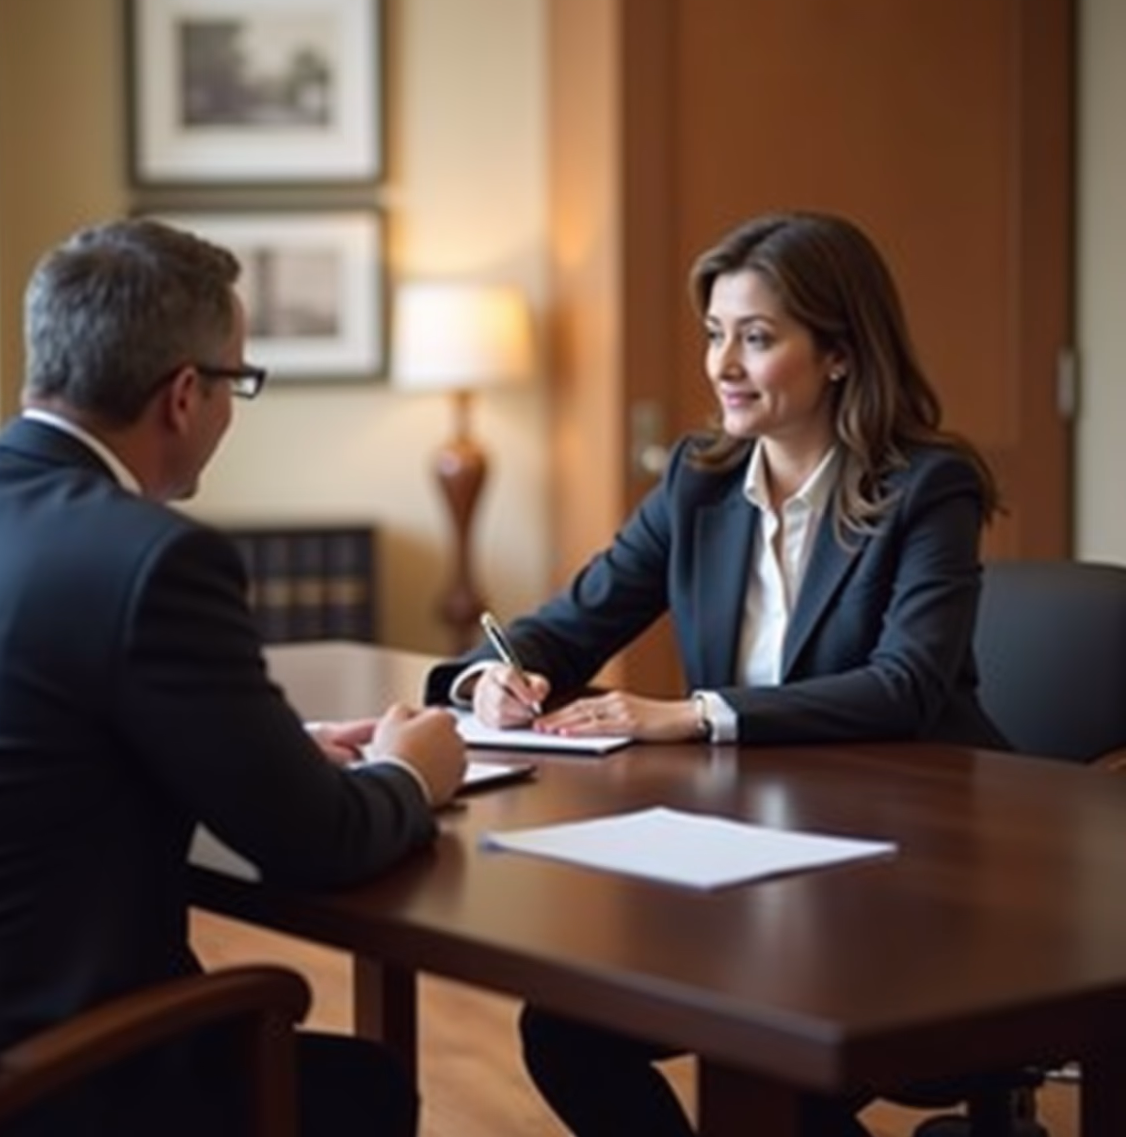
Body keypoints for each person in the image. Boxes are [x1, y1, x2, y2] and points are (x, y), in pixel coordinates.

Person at [425, 210, 1005, 1136]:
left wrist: (693, 714)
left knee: (786, 1062)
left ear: (841, 355)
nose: (722, 365)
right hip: (750, 854)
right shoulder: (700, 481)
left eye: (758, 338)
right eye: (714, 334)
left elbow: (906, 685)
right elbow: (570, 626)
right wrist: (493, 677)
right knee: (569, 1031)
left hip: (907, 858)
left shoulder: (927, 487)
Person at [0, 218, 467, 1137]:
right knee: (362, 1087)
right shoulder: (151, 560)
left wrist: (262, 748)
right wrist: (414, 768)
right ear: (185, 394)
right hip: (56, 1083)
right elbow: (319, 842)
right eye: (239, 384)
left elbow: (26, 727)